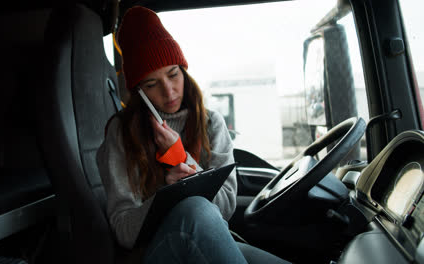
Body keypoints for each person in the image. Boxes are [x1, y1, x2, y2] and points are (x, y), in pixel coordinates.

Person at [97, 6, 289, 264]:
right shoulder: (122, 134)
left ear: (184, 70)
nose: (169, 91)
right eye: (151, 84)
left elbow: (224, 209)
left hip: (206, 234)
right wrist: (167, 193)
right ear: (138, 92)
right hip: (150, 252)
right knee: (195, 209)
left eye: (173, 74)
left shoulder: (211, 123)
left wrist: (181, 159)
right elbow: (124, 231)